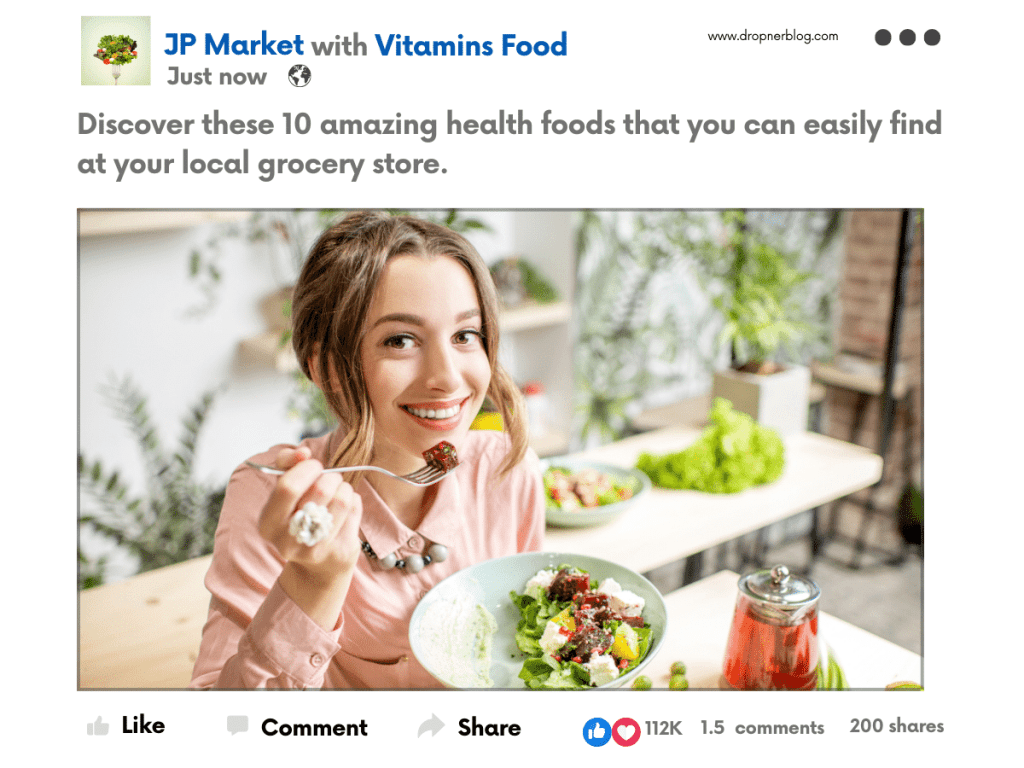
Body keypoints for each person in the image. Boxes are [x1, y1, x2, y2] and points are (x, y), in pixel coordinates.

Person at [189, 211, 545, 689]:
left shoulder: (506, 468)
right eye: (401, 340)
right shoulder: (271, 498)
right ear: (327, 368)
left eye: (465, 335)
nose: (446, 377)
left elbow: (527, 644)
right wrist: (313, 584)